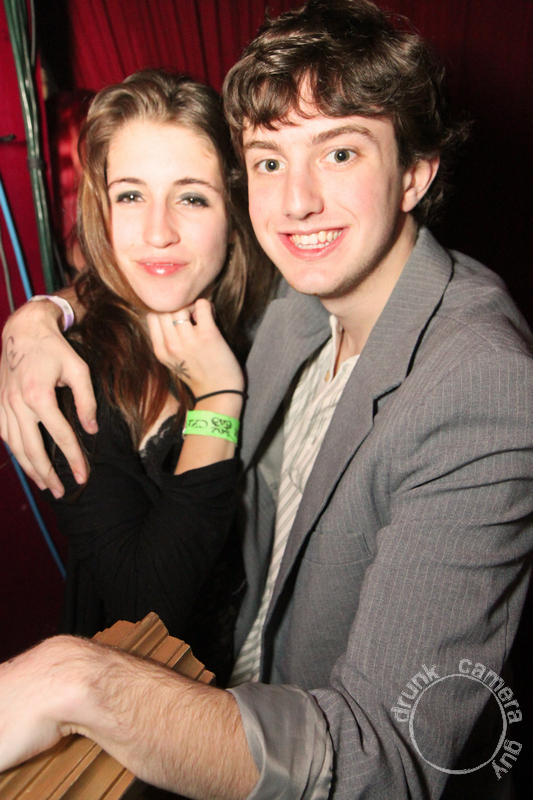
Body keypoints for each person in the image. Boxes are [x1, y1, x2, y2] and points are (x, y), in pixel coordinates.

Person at [0, 1, 532, 798]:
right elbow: (153, 267)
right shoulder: (295, 296)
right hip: (212, 702)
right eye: (269, 161)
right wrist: (39, 319)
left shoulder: (479, 387)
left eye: (340, 152)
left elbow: (386, 759)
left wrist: (79, 680)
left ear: (415, 173)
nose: (296, 201)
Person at [9, 69, 274, 678]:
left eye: (192, 197)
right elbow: (145, 606)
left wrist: (46, 307)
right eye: (130, 195)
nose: (158, 232)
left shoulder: (269, 319)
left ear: (233, 210)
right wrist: (217, 400)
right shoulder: (70, 374)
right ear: (102, 210)